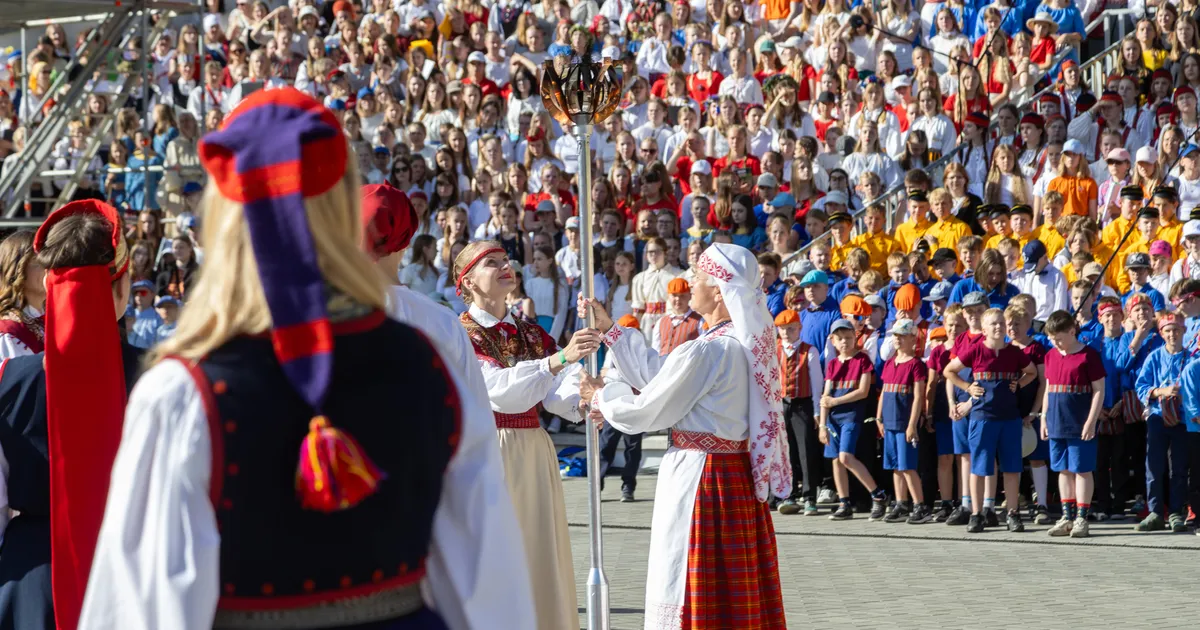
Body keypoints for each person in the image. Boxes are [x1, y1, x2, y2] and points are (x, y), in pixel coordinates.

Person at [78, 89, 535, 629]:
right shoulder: (428, 361)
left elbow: (144, 611)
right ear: (344, 209)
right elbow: (490, 594)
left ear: (224, 220)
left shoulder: (181, 393)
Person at [578, 242, 788, 629]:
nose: (690, 281)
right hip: (728, 474)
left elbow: (648, 408)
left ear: (721, 290)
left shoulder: (711, 351)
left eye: (700, 276)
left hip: (703, 479)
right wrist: (611, 331)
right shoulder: (735, 347)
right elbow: (662, 378)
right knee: (729, 591)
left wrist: (602, 395)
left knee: (691, 579)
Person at [358, 181, 537, 627]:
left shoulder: (320, 317)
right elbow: (475, 439)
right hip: (428, 507)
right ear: (406, 239)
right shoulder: (440, 322)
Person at [0, 199, 142, 630]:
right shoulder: (169, 378)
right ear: (121, 288)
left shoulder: (10, 377)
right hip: (138, 569)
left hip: (34, 579)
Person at [455, 238, 598, 630]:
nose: (506, 268)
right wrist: (559, 359)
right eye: (492, 263)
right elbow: (499, 392)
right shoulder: (460, 333)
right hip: (486, 451)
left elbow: (554, 395)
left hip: (533, 449)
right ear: (467, 282)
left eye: (507, 261)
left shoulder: (531, 333)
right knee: (494, 556)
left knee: (537, 551)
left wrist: (586, 396)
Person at [944, 308, 1038, 533]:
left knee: (1012, 468)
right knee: (979, 468)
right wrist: (967, 387)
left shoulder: (1014, 352)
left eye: (1001, 323)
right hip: (982, 418)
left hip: (1009, 418)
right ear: (984, 329)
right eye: (993, 324)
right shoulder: (974, 350)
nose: (998, 327)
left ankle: (1012, 514)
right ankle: (977, 514)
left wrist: (1020, 384)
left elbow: (1032, 372)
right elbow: (949, 371)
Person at [1040, 310, 1107, 539]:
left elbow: (1099, 390)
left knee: (1082, 469)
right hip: (1056, 421)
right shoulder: (1050, 356)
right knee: (1063, 469)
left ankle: (1081, 518)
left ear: (1072, 331)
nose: (1055, 342)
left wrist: (1091, 420)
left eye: (1058, 337)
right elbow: (1049, 388)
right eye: (1051, 338)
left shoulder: (1089, 356)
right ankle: (1066, 516)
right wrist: (1043, 416)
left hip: (1079, 422)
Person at [821, 319, 889, 521]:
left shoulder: (862, 360)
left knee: (845, 457)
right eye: (840, 338)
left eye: (848, 338)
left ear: (855, 338)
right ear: (833, 341)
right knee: (836, 460)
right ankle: (844, 502)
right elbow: (825, 396)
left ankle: (878, 495)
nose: (844, 342)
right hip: (833, 419)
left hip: (851, 416)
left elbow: (862, 391)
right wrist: (822, 425)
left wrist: (836, 400)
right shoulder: (832, 364)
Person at [1134, 312, 1192, 533]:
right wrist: (1161, 391)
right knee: (1154, 465)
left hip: (1182, 419)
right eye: (1168, 331)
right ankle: (1156, 512)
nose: (1172, 334)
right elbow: (1141, 386)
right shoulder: (1154, 357)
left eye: (1176, 330)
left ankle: (1176, 511)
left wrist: (1182, 394)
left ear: (1183, 332)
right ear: (1161, 333)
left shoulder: (1192, 358)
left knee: (1178, 467)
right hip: (1158, 417)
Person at [876, 319, 931, 524]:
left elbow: (918, 396)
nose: (897, 339)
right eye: (895, 335)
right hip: (889, 422)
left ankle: (919, 505)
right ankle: (901, 503)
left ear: (912, 338)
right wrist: (879, 418)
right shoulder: (890, 362)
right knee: (895, 466)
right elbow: (883, 392)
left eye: (901, 335)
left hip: (904, 422)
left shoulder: (916, 364)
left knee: (908, 466)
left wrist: (912, 424)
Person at [775, 308, 825, 517]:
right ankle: (788, 494)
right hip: (781, 405)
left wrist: (816, 411)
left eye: (791, 329)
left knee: (806, 452)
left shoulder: (809, 350)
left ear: (799, 328)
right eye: (783, 329)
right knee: (786, 452)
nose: (786, 333)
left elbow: (816, 384)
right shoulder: (775, 349)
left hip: (803, 405)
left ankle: (809, 496)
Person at [0, 231, 46, 358]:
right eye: (37, 262)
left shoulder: (51, 317)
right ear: (16, 271)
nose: (48, 269)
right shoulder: (10, 331)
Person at [653, 277, 704, 355]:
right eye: (674, 295)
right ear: (668, 296)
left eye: (682, 296)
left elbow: (703, 348)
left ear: (690, 296)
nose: (678, 299)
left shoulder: (699, 321)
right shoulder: (661, 322)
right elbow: (655, 350)